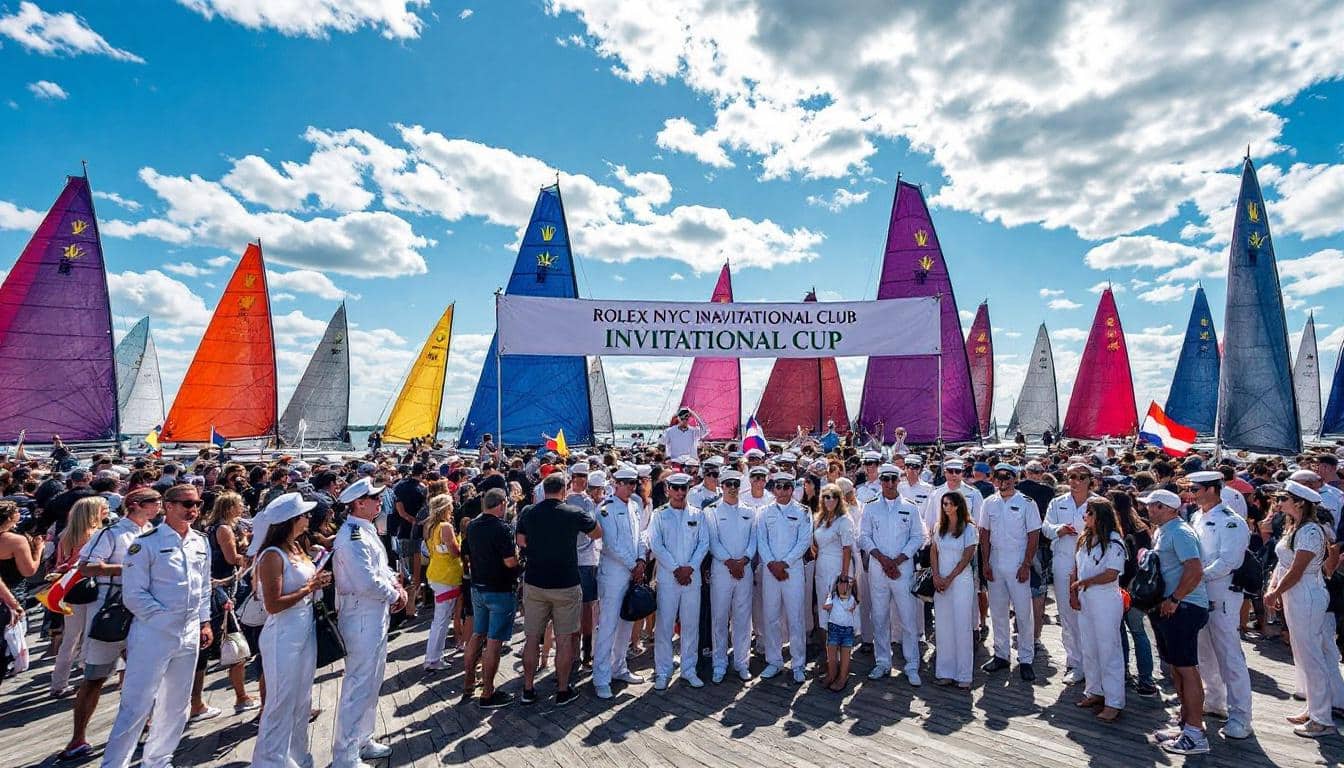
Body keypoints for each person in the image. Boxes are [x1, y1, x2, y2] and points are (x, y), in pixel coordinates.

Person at [101, 484, 213, 768]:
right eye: (187, 504)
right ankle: (115, 764)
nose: (193, 509)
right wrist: (166, 620)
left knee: (177, 705)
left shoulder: (200, 542)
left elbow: (204, 587)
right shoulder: (146, 543)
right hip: (153, 633)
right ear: (168, 506)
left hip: (188, 633)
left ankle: (159, 760)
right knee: (136, 705)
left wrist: (204, 621)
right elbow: (134, 594)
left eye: (197, 504)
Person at [56, 488, 159, 761]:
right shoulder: (112, 533)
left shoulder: (151, 531)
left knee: (143, 674)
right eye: (154, 502)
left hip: (141, 610)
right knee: (95, 676)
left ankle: (144, 725)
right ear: (135, 505)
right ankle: (77, 738)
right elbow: (87, 566)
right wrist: (128, 568)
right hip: (110, 610)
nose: (159, 506)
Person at [250, 493, 330, 768]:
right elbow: (273, 604)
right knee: (281, 700)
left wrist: (316, 583)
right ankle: (269, 760)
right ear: (292, 520)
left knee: (301, 698)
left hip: (302, 626)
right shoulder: (273, 555)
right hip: (282, 632)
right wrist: (310, 587)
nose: (309, 518)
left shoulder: (296, 548)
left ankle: (296, 755)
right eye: (305, 515)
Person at [332, 476, 405, 768]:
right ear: (359, 503)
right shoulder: (353, 536)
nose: (379, 501)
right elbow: (365, 580)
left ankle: (363, 738)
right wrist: (394, 594)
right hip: (362, 613)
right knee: (359, 684)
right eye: (374, 498)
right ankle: (345, 755)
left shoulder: (365, 530)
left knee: (372, 680)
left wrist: (394, 587)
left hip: (374, 613)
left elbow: (381, 568)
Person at [1263, 481, 1344, 738]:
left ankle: (1322, 718)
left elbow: (1298, 570)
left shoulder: (1309, 531)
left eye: (1284, 497)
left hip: (1307, 593)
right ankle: (1314, 707)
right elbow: (1284, 564)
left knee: (1312, 655)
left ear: (1299, 502)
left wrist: (1276, 591)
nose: (1279, 501)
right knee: (1302, 653)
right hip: (1296, 593)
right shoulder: (1294, 527)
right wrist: (1274, 586)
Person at [516, 473, 601, 705]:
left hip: (535, 581)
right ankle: (563, 690)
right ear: (564, 490)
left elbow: (521, 541)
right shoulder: (573, 513)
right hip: (565, 581)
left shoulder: (528, 512)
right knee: (564, 639)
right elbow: (596, 533)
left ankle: (528, 688)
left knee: (532, 637)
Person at [1140, 488, 1212, 756]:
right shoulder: (1164, 531)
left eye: (1154, 506)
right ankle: (1186, 722)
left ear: (1168, 508)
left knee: (1186, 668)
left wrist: (1175, 599)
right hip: (1171, 606)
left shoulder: (1180, 532)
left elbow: (1194, 569)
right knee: (1177, 668)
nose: (1149, 509)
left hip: (1184, 606)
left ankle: (1195, 731)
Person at [1184, 470, 1253, 740]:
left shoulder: (1231, 522)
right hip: (1199, 593)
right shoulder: (1197, 517)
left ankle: (1241, 717)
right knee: (1204, 652)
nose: (1193, 493)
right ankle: (1215, 701)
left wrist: (1198, 575)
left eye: (1197, 489)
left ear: (1212, 490)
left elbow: (1229, 561)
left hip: (1222, 594)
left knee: (1229, 655)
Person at [858, 464, 924, 685]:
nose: (888, 483)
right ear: (881, 481)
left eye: (893, 479)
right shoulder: (870, 507)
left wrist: (898, 559)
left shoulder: (911, 507)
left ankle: (912, 664)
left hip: (902, 569)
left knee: (907, 618)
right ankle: (883, 661)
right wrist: (882, 559)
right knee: (879, 617)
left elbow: (918, 537)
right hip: (878, 568)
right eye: (885, 479)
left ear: (899, 480)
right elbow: (863, 536)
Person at [978, 463, 1042, 681]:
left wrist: (1026, 564)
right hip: (995, 559)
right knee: (997, 611)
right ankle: (1001, 654)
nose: (1003, 482)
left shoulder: (1026, 503)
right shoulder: (988, 503)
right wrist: (985, 562)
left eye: (1007, 477)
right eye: (999, 478)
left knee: (1023, 613)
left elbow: (1034, 535)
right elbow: (984, 533)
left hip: (1018, 560)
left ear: (1015, 479)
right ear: (993, 479)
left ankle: (1026, 658)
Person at [647, 471, 710, 690]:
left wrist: (689, 568)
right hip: (668, 578)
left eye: (684, 488)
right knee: (664, 626)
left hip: (691, 578)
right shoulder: (659, 514)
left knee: (691, 625)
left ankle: (688, 669)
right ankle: (663, 671)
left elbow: (704, 543)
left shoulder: (698, 514)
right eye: (675, 488)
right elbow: (656, 544)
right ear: (668, 490)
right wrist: (676, 569)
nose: (680, 493)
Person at [1043, 462, 1101, 685]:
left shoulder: (1099, 504)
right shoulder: (1057, 502)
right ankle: (1074, 662)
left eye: (1080, 477)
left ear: (1089, 479)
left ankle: (1093, 663)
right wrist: (1059, 530)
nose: (1075, 481)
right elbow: (1045, 527)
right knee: (1067, 614)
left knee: (1090, 614)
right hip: (1063, 561)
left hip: (1092, 565)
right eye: (1071, 477)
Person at [592, 467, 647, 699]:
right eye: (625, 483)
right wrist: (633, 564)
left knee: (627, 622)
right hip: (614, 573)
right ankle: (601, 676)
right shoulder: (605, 509)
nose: (630, 487)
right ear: (615, 484)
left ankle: (619, 667)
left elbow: (641, 536)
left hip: (633, 570)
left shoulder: (635, 506)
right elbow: (611, 543)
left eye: (633, 483)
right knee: (608, 625)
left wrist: (642, 559)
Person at [1070, 499, 1126, 722]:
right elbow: (1075, 568)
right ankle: (1094, 690)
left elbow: (1112, 573)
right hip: (1086, 597)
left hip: (1105, 598)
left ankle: (1114, 701)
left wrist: (1085, 582)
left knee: (1108, 649)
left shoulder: (1114, 541)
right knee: (1089, 647)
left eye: (1089, 513)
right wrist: (1074, 592)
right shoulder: (1084, 539)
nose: (1086, 517)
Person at [462, 488, 519, 708]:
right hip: (499, 588)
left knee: (477, 634)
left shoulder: (473, 525)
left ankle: (468, 682)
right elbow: (510, 562)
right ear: (502, 503)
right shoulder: (502, 528)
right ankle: (488, 692)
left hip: (478, 586)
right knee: (494, 641)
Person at [757, 472, 813, 684]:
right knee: (771, 617)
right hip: (771, 571)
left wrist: (785, 563)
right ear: (774, 489)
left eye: (786, 486)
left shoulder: (803, 511)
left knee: (795, 617)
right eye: (778, 486)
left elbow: (804, 541)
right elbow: (761, 539)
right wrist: (772, 563)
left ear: (792, 488)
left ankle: (798, 663)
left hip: (793, 571)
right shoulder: (763, 512)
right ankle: (774, 661)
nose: (782, 491)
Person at [47, 496, 107, 697]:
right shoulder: (96, 535)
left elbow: (60, 563)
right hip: (91, 589)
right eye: (103, 508)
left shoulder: (65, 535)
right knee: (90, 634)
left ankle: (58, 682)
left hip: (70, 589)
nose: (106, 510)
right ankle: (88, 676)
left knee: (70, 638)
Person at [704, 468, 756, 684]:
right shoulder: (712, 511)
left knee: (743, 619)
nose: (732, 488)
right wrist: (729, 562)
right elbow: (712, 541)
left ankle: (742, 663)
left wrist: (743, 560)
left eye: (736, 483)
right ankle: (719, 664)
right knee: (719, 618)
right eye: (728, 484)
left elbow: (753, 540)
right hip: (721, 570)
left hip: (744, 570)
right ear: (721, 486)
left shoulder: (750, 511)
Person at [931, 492, 977, 688]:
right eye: (943, 504)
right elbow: (933, 551)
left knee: (961, 624)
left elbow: (967, 556)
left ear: (958, 506)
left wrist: (950, 578)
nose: (945, 507)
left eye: (948, 504)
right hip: (940, 581)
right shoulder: (938, 527)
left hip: (960, 581)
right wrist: (936, 576)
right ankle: (945, 671)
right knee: (943, 626)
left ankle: (963, 674)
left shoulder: (969, 529)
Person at [422, 493, 462, 671]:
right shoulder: (445, 527)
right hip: (447, 575)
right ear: (446, 508)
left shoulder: (429, 526)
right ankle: (433, 658)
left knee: (440, 619)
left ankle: (434, 656)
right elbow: (455, 552)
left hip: (436, 572)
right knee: (442, 620)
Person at [821, 576, 858, 691]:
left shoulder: (851, 598)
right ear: (836, 585)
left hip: (847, 631)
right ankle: (832, 674)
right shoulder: (832, 596)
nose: (842, 585)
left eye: (845, 583)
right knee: (831, 654)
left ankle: (842, 677)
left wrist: (848, 592)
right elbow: (826, 605)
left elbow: (849, 607)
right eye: (840, 583)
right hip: (833, 629)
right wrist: (827, 604)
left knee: (845, 655)